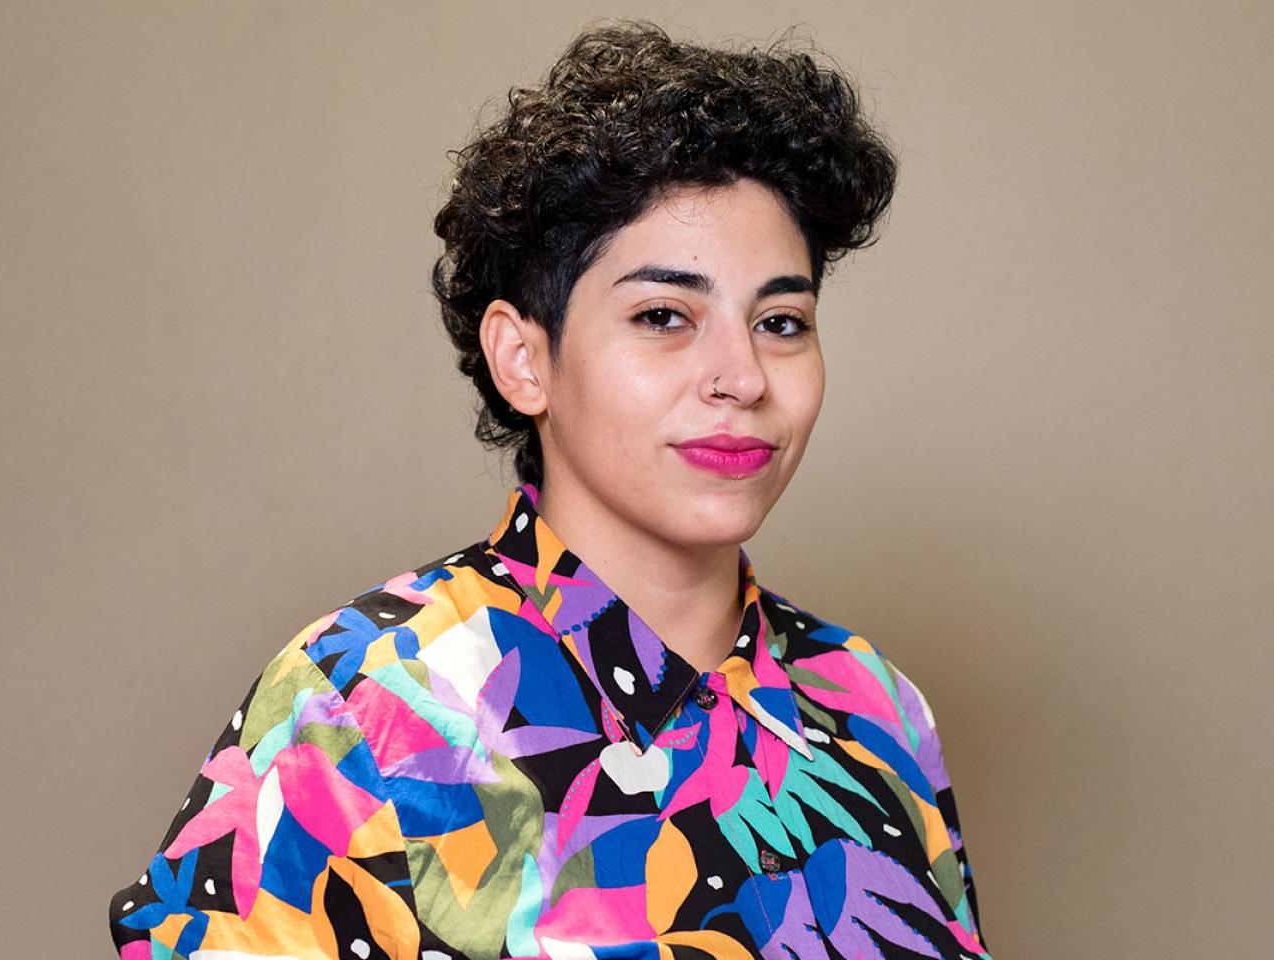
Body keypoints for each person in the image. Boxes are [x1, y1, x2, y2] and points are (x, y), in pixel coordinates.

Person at [109, 21, 990, 960]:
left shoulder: (873, 705)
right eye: (663, 316)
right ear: (523, 359)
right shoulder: (366, 704)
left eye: (781, 321)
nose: (742, 376)